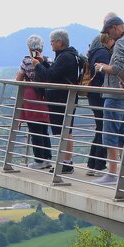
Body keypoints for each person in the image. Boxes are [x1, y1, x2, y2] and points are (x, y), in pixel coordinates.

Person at [31, 28, 82, 174]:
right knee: (66, 130)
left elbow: (50, 76)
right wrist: (44, 64)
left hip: (62, 99)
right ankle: (65, 162)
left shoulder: (65, 57)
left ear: (60, 42)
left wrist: (38, 66)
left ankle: (65, 163)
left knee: (64, 131)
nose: (51, 45)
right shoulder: (68, 55)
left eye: (52, 42)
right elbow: (55, 73)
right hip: (65, 98)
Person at [93, 16, 124, 186]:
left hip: (115, 95)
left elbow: (117, 68)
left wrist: (101, 67)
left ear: (115, 27)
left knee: (110, 136)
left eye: (109, 31)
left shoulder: (121, 43)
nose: (108, 35)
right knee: (123, 136)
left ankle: (112, 173)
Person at [14, 34, 52, 167]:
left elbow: (18, 79)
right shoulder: (48, 60)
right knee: (44, 128)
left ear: (29, 48)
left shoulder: (26, 61)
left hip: (31, 97)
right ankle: (47, 158)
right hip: (45, 97)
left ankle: (39, 160)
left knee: (34, 128)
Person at [84, 33, 112, 175]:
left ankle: (93, 164)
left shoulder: (94, 53)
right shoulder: (102, 53)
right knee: (103, 128)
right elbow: (104, 73)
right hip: (100, 95)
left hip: (94, 95)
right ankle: (99, 165)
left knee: (100, 128)